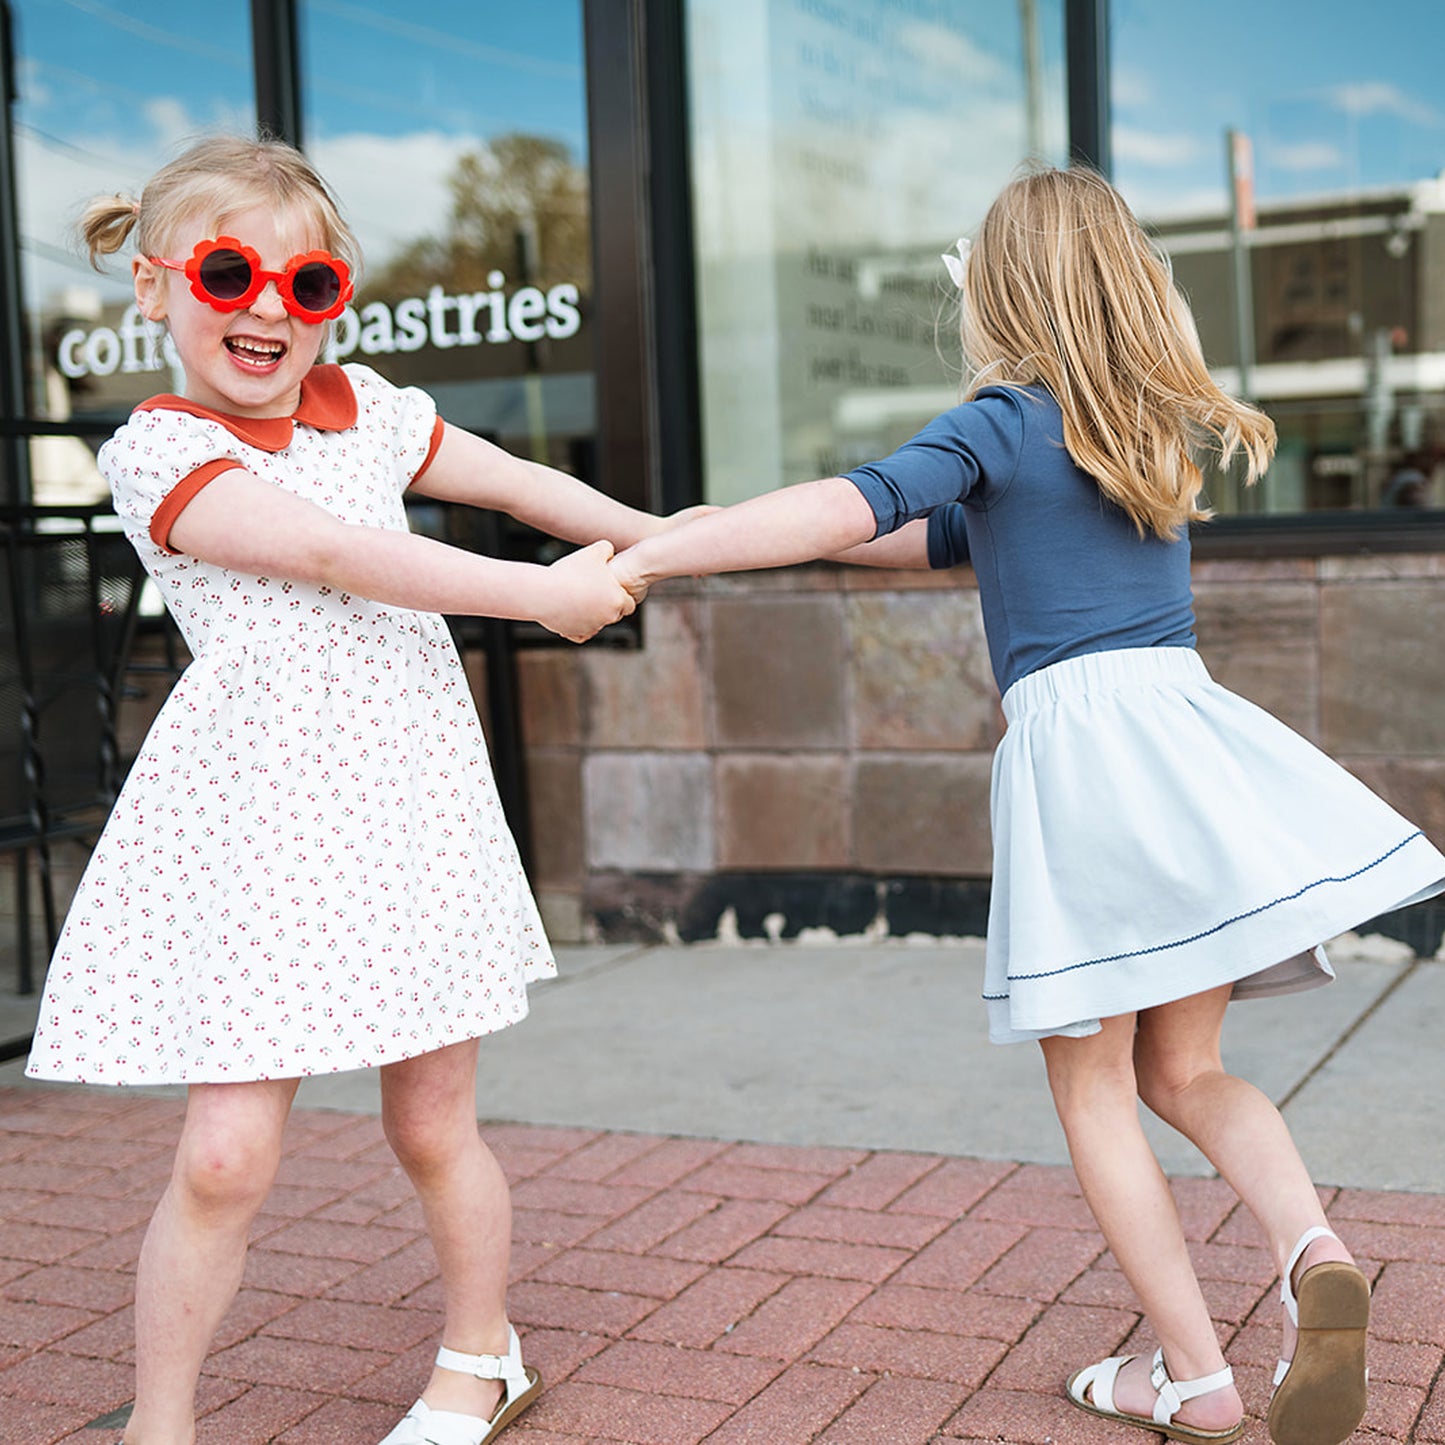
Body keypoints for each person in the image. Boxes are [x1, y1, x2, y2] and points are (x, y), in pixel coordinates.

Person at [609, 164, 1445, 1445]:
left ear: (1001, 296)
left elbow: (855, 500)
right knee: (1191, 1066)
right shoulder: (1137, 437)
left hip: (1086, 775)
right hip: (1187, 752)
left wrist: (661, 551)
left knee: (1095, 1090)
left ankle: (1194, 1377)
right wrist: (711, 522)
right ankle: (1308, 1245)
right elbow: (885, 533)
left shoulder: (1002, 422)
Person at [25, 134, 695, 1445]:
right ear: (157, 288)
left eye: (310, 282)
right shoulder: (154, 450)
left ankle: (480, 1354)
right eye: (229, 272)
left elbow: (519, 483)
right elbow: (334, 552)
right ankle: (159, 1426)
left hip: (408, 810)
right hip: (264, 827)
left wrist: (668, 539)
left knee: (435, 1121)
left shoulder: (371, 408)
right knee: (224, 1153)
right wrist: (542, 597)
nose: (269, 306)